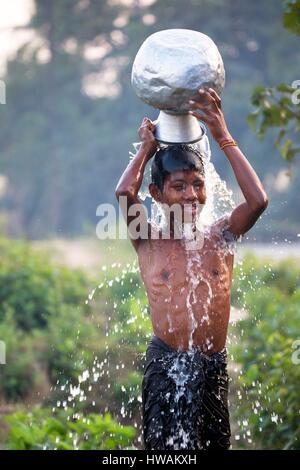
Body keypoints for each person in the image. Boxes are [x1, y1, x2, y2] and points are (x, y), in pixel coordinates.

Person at [115, 87, 268, 450]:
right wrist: (146, 150)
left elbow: (258, 200)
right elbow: (124, 194)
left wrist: (222, 135)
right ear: (157, 193)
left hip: (213, 365)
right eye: (179, 186)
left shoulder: (222, 236)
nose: (190, 195)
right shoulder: (148, 239)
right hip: (167, 365)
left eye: (197, 185)